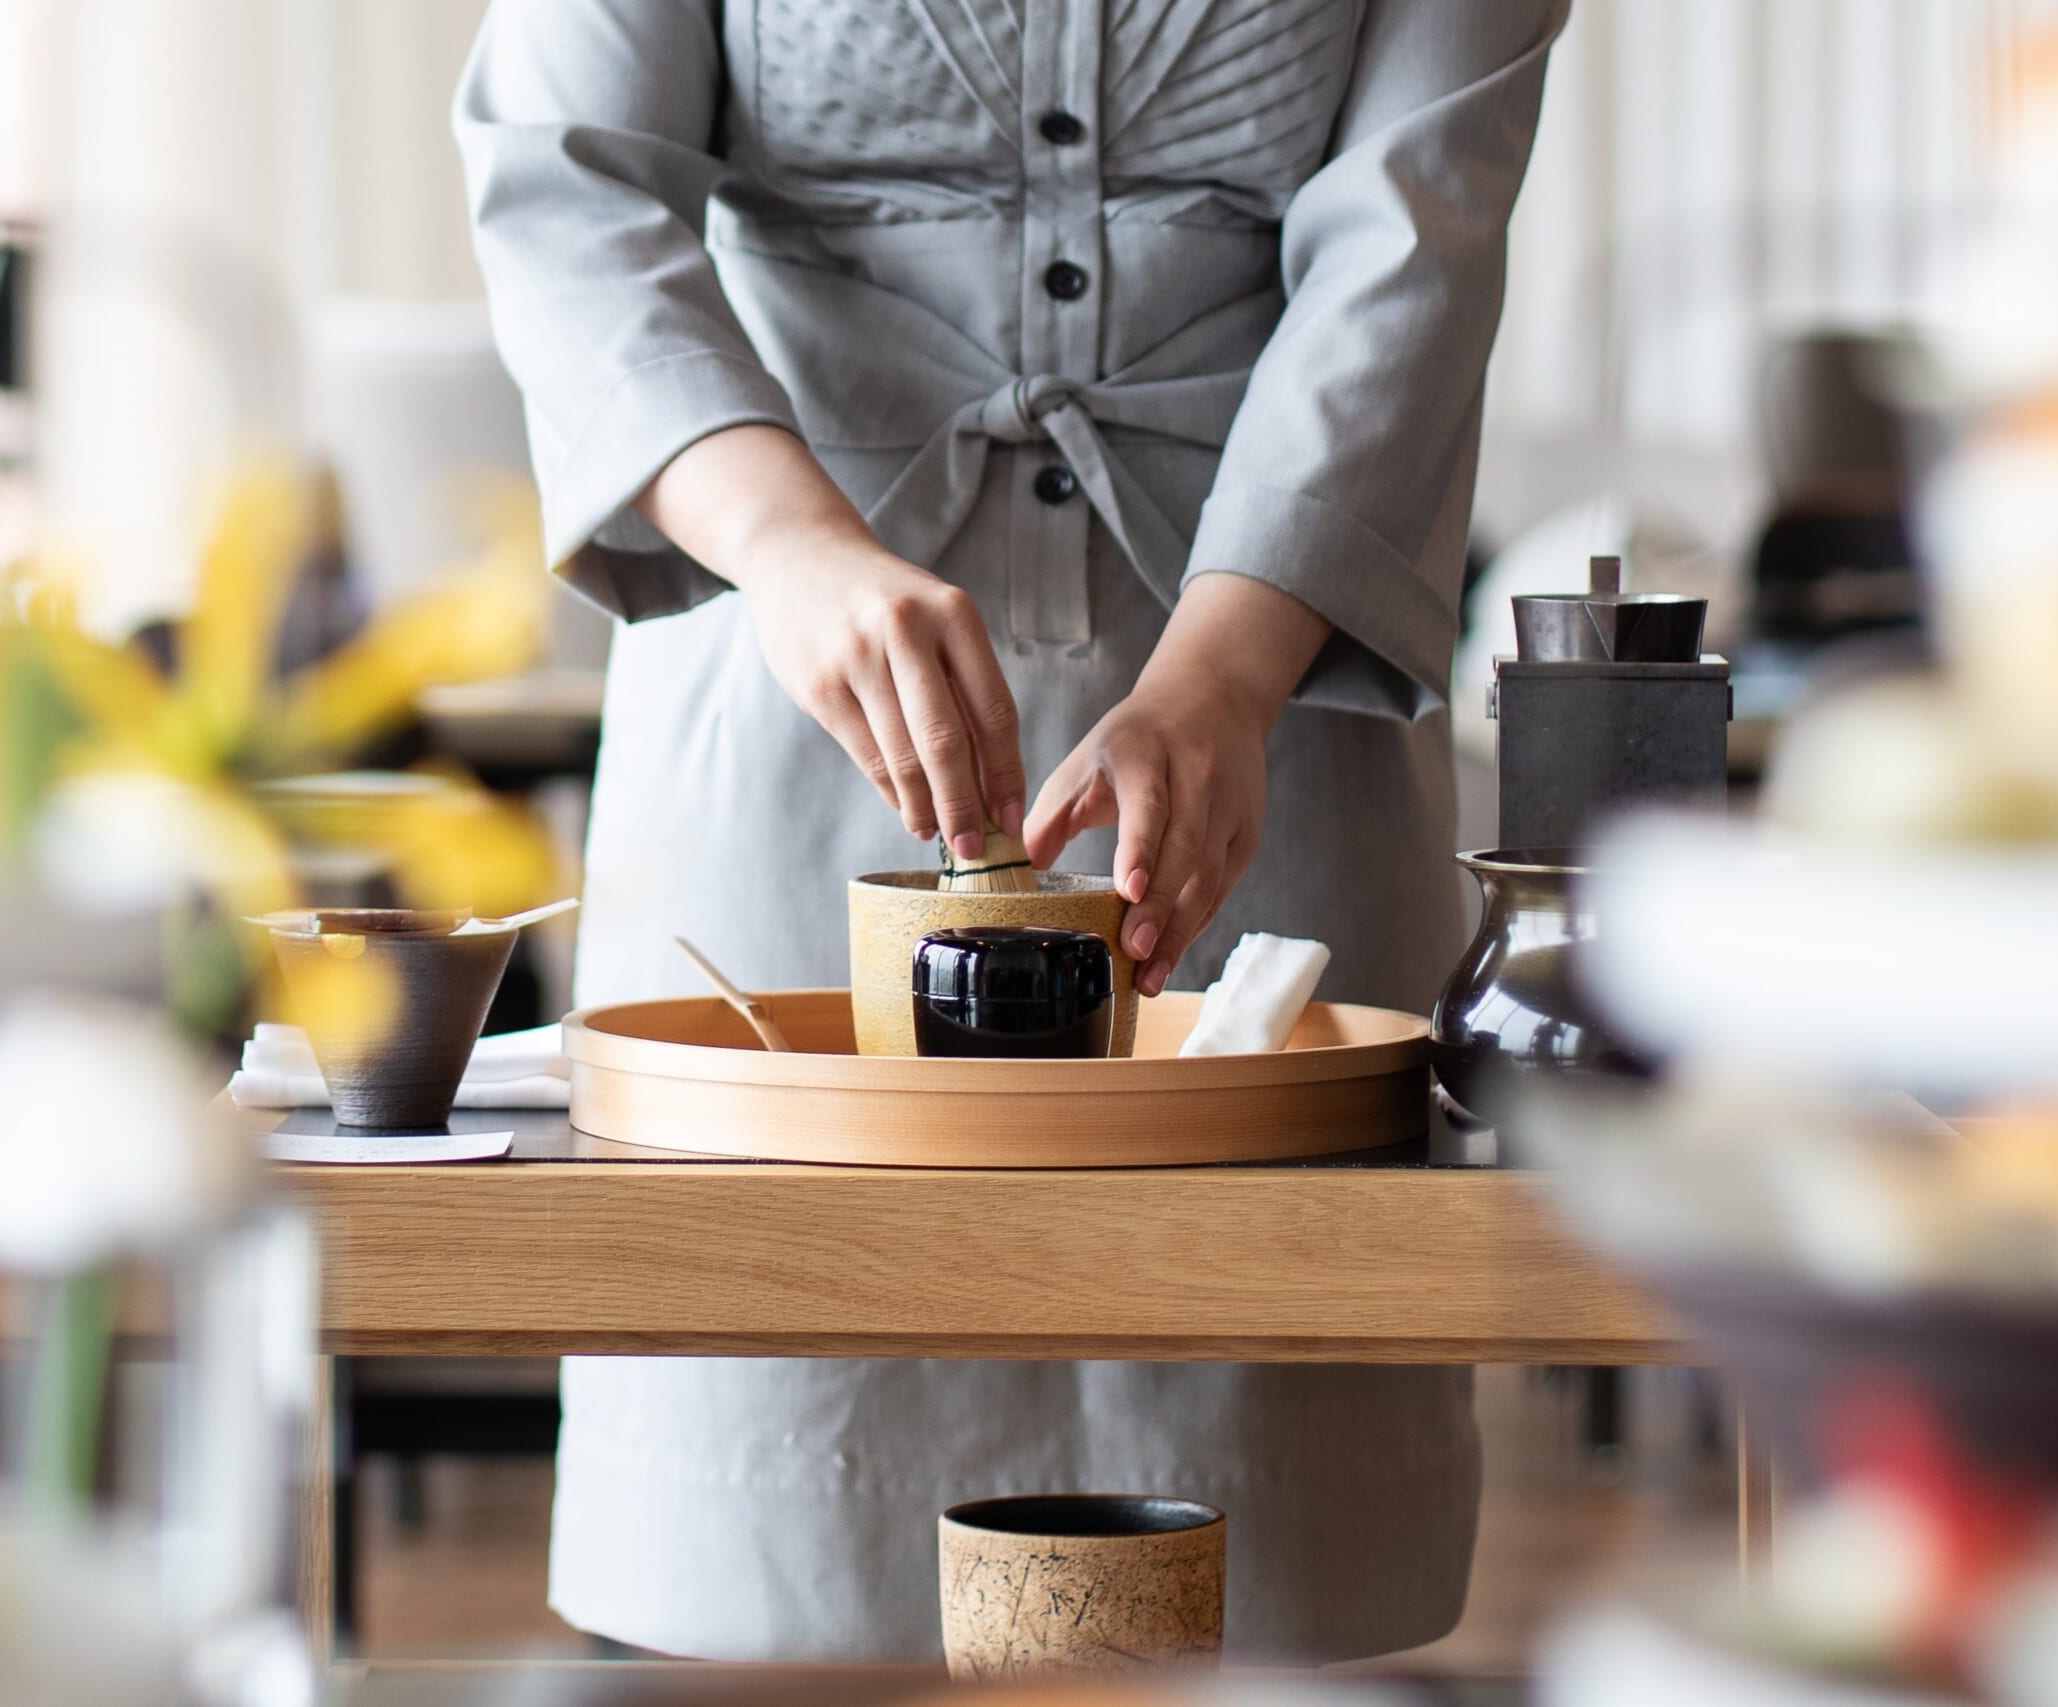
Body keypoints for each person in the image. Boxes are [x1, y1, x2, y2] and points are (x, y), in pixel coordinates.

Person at [455, 0, 1563, 1663]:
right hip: (788, 706)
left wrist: (1226, 674)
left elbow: (1416, 230)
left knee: (1258, 1595)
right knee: (783, 1577)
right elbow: (565, 184)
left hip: (1272, 730)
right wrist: (790, 546)